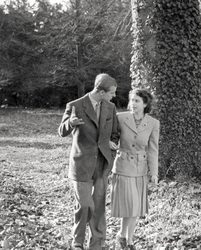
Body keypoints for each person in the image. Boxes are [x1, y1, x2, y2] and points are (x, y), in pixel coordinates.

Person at [58, 73, 119, 250]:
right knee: (85, 205)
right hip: (81, 164)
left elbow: (114, 132)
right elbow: (61, 131)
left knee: (98, 206)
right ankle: (78, 242)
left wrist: (111, 145)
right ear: (100, 91)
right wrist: (71, 122)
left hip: (102, 164)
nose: (114, 96)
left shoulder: (110, 107)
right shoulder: (75, 105)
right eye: (111, 93)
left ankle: (97, 244)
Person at [111, 88, 160, 250]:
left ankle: (127, 239)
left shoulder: (153, 123)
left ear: (145, 104)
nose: (133, 104)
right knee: (131, 205)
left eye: (137, 101)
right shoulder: (120, 118)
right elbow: (111, 137)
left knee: (136, 207)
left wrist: (154, 173)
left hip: (140, 169)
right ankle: (122, 235)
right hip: (123, 166)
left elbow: (153, 149)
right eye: (132, 100)